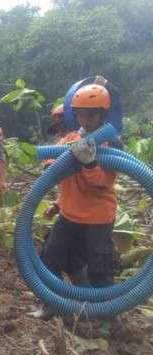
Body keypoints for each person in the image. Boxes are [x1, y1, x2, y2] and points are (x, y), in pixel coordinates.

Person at [33, 83, 119, 320]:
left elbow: (102, 183)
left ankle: (105, 317)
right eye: (80, 113)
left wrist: (89, 164)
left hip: (97, 218)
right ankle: (52, 304)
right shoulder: (71, 138)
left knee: (99, 269)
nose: (85, 119)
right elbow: (52, 166)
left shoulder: (111, 144)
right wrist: (58, 202)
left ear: (103, 114)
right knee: (49, 257)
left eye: (91, 114)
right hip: (70, 214)